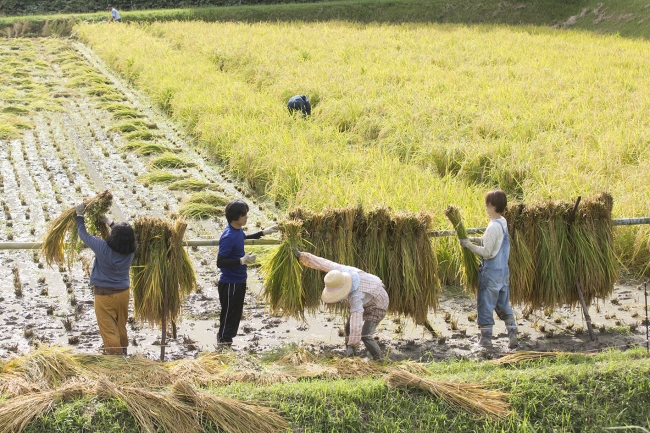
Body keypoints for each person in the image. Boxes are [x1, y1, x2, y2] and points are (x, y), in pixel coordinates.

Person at [291, 248, 389, 360]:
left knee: (365, 334)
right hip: (366, 298)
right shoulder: (340, 273)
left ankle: (380, 359)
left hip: (378, 302)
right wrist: (301, 256)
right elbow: (324, 263)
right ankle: (351, 356)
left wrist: (353, 344)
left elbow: (356, 321)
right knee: (348, 328)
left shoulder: (356, 296)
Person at [459, 189, 518, 349]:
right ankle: (513, 335)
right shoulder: (502, 222)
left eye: (487, 204)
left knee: (485, 305)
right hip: (503, 273)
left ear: (492, 205)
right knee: (503, 304)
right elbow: (492, 242)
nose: (485, 207)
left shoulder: (493, 226)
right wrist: (473, 239)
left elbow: (488, 252)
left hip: (491, 273)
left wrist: (469, 246)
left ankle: (486, 340)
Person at [76, 203, 135, 355]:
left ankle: (117, 359)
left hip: (104, 295)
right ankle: (123, 351)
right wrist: (108, 222)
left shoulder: (102, 248)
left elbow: (83, 235)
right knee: (120, 325)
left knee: (108, 329)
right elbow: (124, 237)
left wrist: (79, 216)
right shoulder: (131, 252)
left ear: (113, 236)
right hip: (123, 294)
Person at [216, 200, 277, 346]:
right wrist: (241, 261)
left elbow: (244, 238)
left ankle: (226, 340)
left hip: (239, 280)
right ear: (235, 216)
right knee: (230, 313)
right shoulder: (228, 236)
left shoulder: (237, 231)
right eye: (243, 214)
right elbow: (220, 262)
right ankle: (224, 342)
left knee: (236, 313)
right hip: (230, 282)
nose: (246, 217)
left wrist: (263, 232)